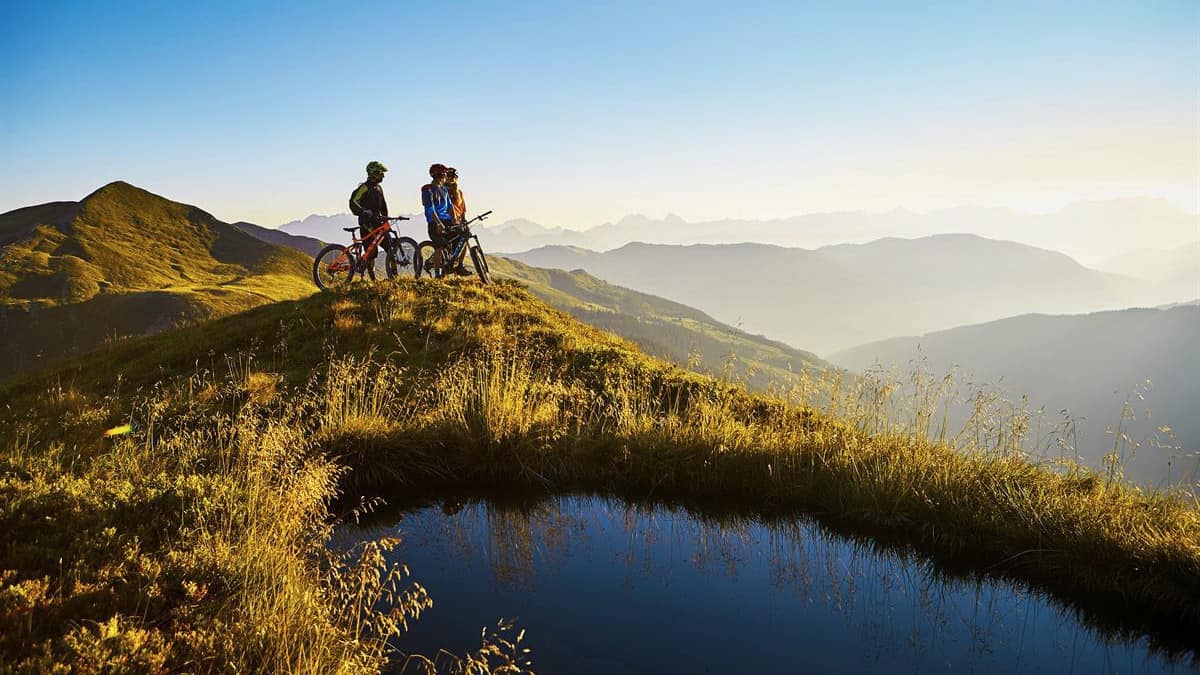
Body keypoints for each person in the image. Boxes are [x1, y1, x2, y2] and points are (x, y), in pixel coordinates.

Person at [421, 164, 470, 276]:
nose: (446, 177)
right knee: (439, 246)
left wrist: (455, 220)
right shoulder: (427, 190)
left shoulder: (444, 189)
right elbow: (430, 209)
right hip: (434, 222)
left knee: (463, 235)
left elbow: (450, 207)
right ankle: (438, 275)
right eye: (444, 174)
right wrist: (438, 224)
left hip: (447, 221)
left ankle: (456, 265)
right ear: (439, 175)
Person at [349, 161, 389, 278]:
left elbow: (383, 205)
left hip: (378, 223)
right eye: (381, 173)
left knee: (390, 247)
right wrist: (364, 211)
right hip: (367, 224)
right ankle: (372, 279)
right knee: (371, 253)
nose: (383, 175)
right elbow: (353, 202)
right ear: (374, 173)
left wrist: (386, 218)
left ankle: (394, 276)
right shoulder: (364, 187)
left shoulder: (379, 188)